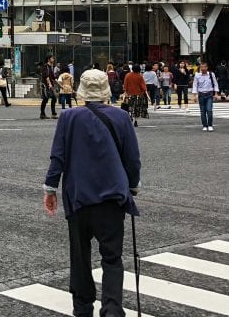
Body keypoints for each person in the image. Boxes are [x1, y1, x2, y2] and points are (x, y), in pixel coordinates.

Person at [43, 69, 141, 317]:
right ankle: (112, 309)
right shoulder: (121, 117)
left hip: (79, 197)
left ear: (82, 91)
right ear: (106, 90)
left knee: (80, 257)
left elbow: (58, 156)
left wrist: (50, 188)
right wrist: (132, 185)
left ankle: (83, 307)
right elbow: (132, 158)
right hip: (112, 197)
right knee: (112, 258)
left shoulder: (69, 117)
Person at [192, 62, 219, 132]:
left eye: (204, 67)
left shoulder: (211, 74)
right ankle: (204, 125)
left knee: (209, 110)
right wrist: (194, 95)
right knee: (203, 111)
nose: (203, 68)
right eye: (202, 67)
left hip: (209, 94)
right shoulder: (197, 75)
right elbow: (195, 85)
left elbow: (215, 83)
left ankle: (210, 125)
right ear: (200, 68)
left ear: (207, 67)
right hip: (201, 94)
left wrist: (216, 93)